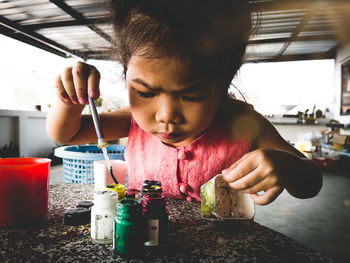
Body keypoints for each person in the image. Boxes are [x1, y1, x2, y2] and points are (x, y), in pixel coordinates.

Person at [46, 0, 322, 205]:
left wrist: (289, 167)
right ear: (126, 74)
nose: (166, 116)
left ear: (223, 84)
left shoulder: (245, 123)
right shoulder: (132, 120)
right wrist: (71, 100)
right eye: (146, 93)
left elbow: (311, 183)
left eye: (191, 96)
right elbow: (65, 133)